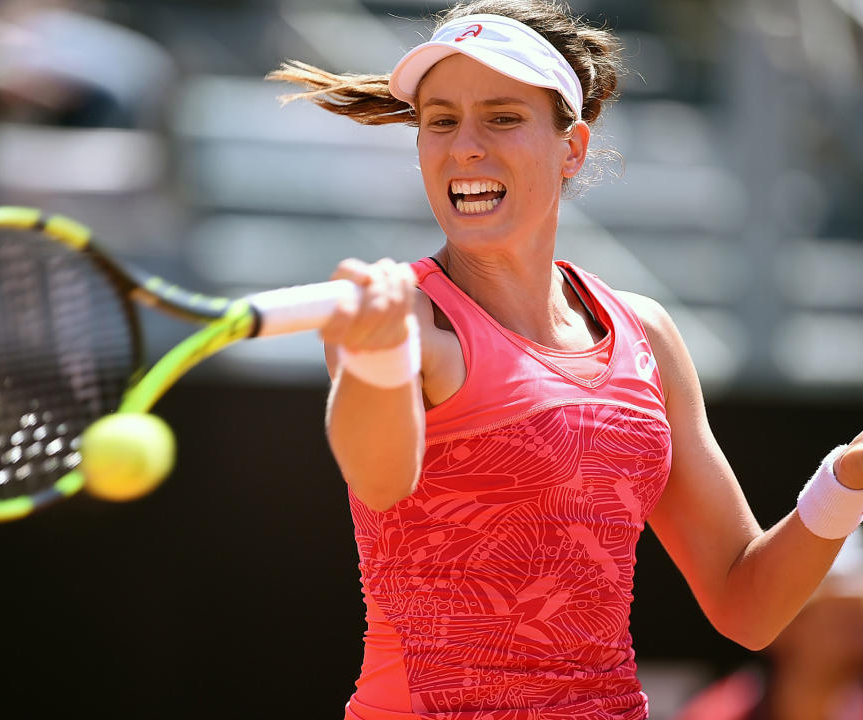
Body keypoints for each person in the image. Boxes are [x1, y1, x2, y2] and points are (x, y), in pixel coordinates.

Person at [270, 2, 863, 718]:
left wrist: (848, 478)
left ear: (572, 148)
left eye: (502, 117)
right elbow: (379, 475)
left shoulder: (646, 333)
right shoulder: (405, 322)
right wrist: (375, 362)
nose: (465, 146)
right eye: (441, 121)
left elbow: (749, 604)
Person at [673, 531, 863, 720]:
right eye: (839, 616)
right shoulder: (714, 714)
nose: (855, 634)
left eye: (859, 617)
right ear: (786, 625)